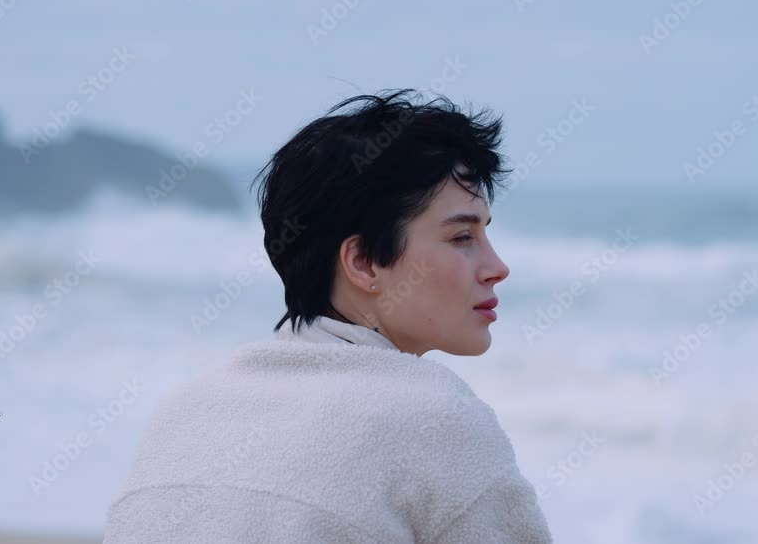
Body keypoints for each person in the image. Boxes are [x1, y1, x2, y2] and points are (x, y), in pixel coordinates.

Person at [103, 89, 554, 543]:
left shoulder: (185, 410)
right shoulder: (437, 418)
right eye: (462, 238)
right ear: (363, 262)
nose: (497, 268)